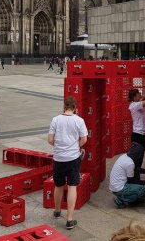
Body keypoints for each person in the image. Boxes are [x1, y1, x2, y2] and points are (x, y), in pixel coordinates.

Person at [48, 96, 88, 230]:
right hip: (73, 158)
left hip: (58, 158)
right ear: (75, 108)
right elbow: (84, 139)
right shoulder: (79, 120)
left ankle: (57, 210)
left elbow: (50, 140)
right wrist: (76, 146)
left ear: (64, 107)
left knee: (58, 185)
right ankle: (70, 219)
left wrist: (58, 146)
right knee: (72, 187)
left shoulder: (56, 119)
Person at [109, 142, 145, 208]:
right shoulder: (130, 163)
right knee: (142, 190)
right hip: (119, 188)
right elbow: (131, 180)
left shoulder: (125, 156)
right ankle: (120, 200)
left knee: (140, 193)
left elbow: (135, 169)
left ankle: (130, 198)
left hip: (114, 186)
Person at [128, 89, 145, 171]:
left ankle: (136, 178)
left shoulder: (138, 103)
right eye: (138, 93)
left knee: (140, 158)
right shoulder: (134, 105)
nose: (140, 94)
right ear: (134, 97)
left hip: (142, 135)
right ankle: (131, 178)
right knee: (135, 159)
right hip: (138, 135)